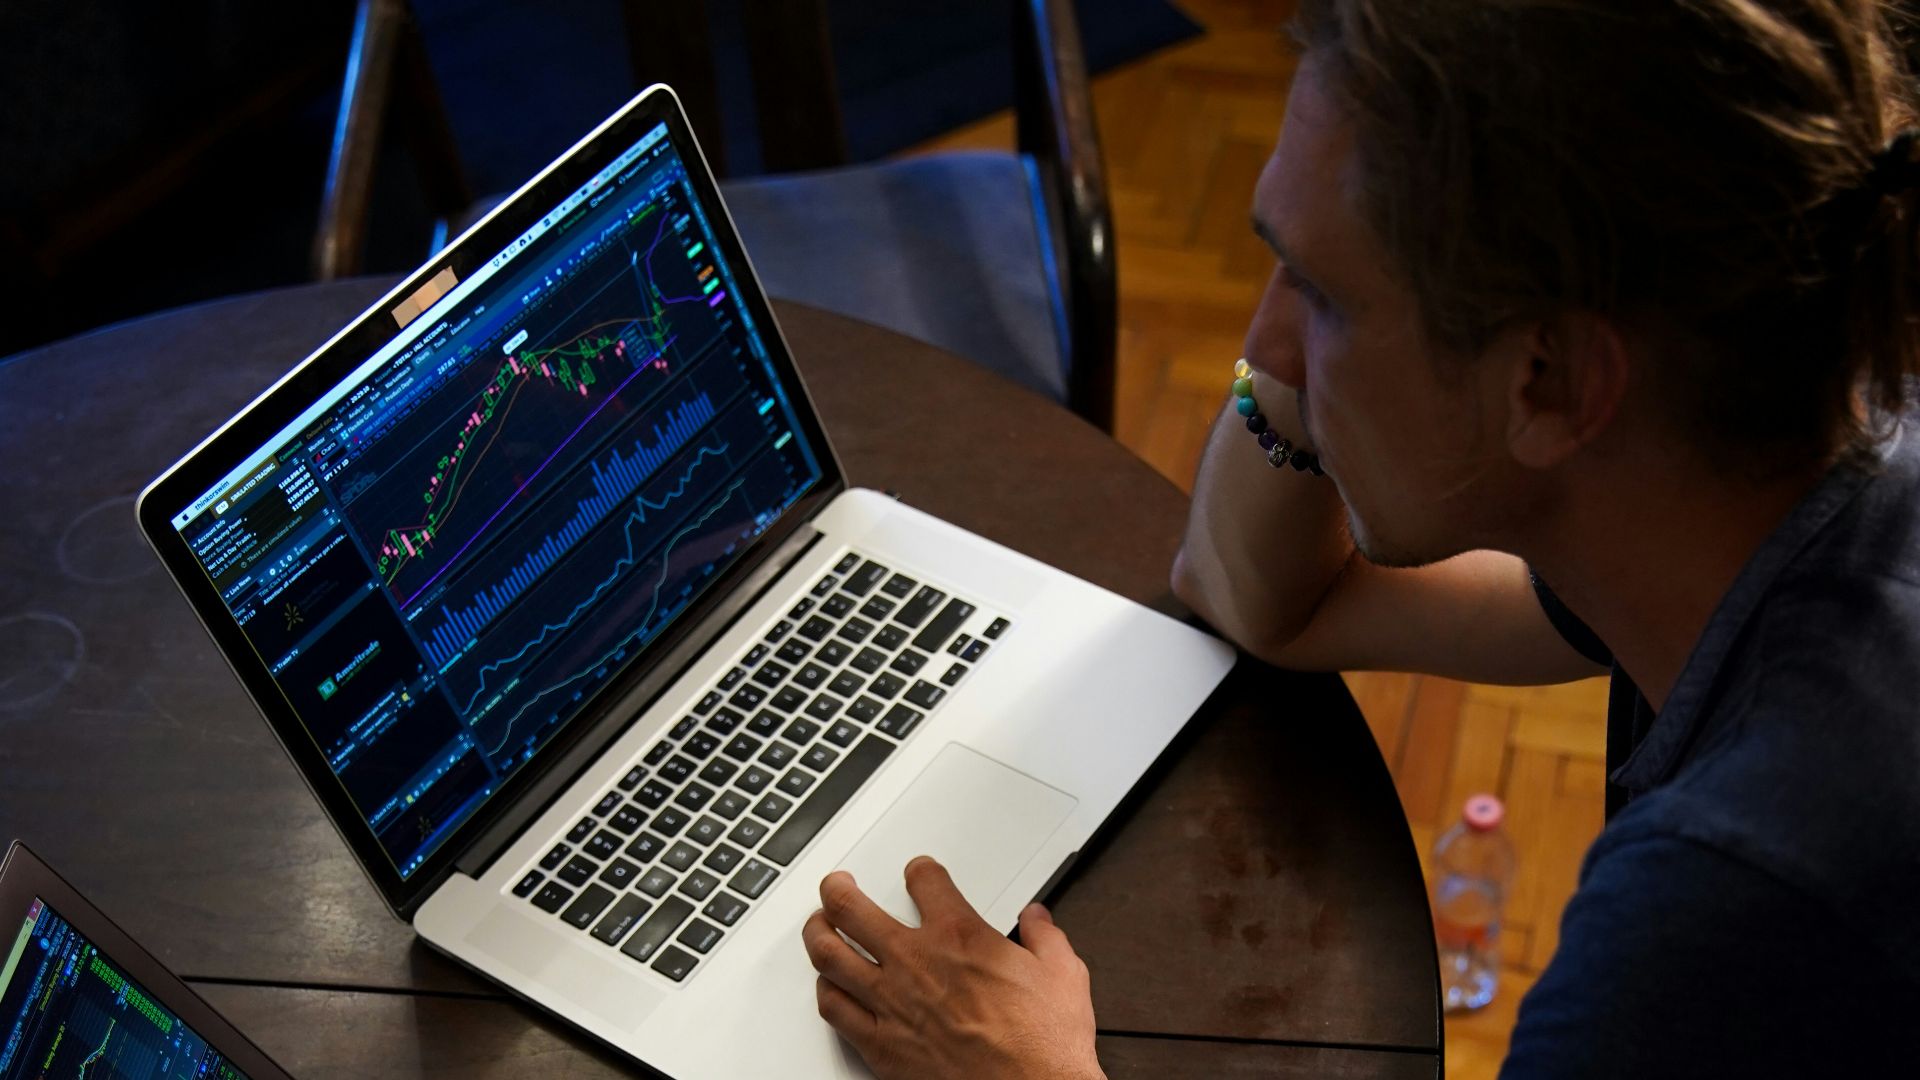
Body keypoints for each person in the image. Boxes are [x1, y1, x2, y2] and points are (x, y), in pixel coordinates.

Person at [798, 1, 1920, 1075]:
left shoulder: (1729, 910)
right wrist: (1318, 339)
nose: (1263, 342)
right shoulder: (1766, 474)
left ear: (1552, 383)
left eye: (1322, 296)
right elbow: (1263, 601)